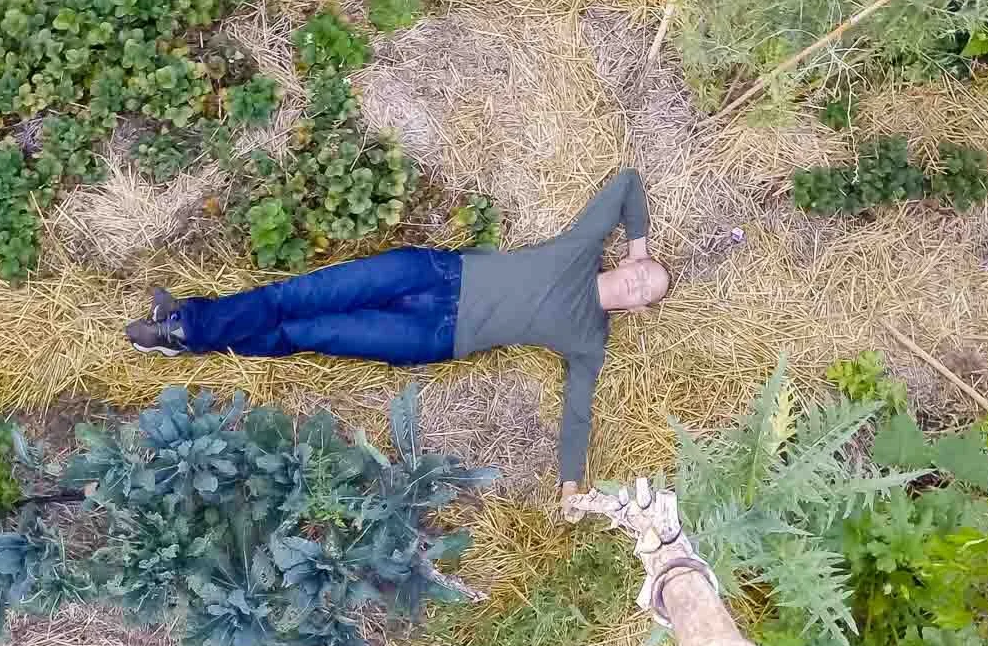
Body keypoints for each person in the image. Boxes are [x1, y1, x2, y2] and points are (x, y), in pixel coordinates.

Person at [127, 169, 667, 513]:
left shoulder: (588, 339)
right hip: (432, 272)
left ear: (639, 308)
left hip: (430, 335)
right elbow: (627, 183)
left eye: (648, 291)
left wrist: (571, 484)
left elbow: (578, 415)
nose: (640, 282)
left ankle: (184, 333)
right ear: (628, 262)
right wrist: (641, 243)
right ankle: (187, 326)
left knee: (307, 331)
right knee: (300, 294)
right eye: (644, 272)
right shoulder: (581, 250)